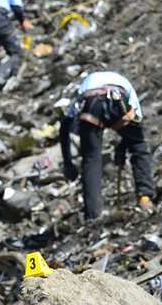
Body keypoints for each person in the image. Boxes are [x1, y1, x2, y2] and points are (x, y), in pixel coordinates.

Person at [59, 71, 155, 220]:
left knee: (91, 159)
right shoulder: (126, 86)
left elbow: (65, 125)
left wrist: (68, 163)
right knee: (139, 147)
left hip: (91, 104)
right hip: (119, 99)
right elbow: (135, 126)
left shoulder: (83, 88)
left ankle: (93, 214)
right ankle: (145, 199)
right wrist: (124, 145)